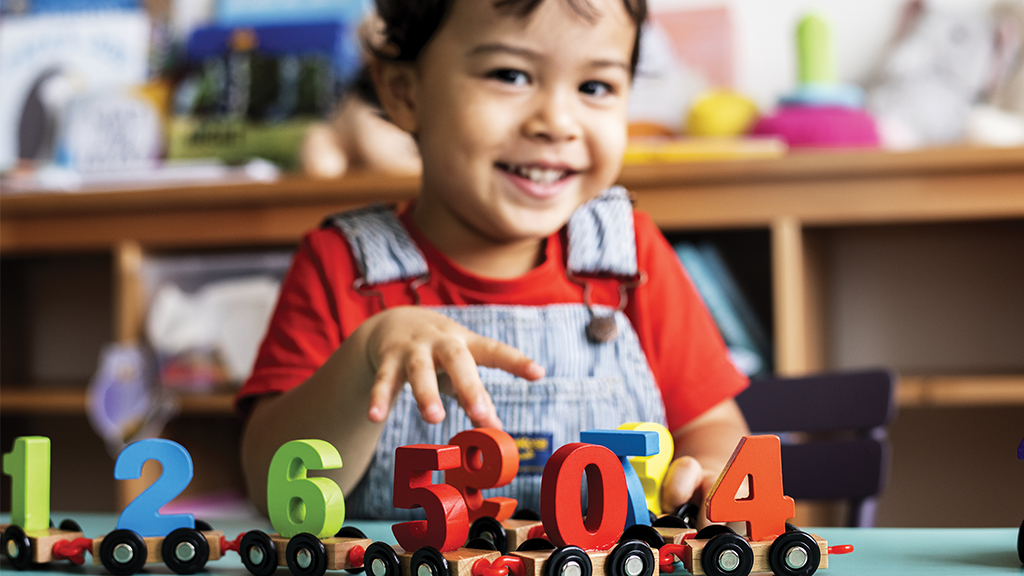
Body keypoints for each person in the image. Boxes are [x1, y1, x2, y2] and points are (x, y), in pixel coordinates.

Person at [237, 0, 750, 521]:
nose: (556, 122)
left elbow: (715, 428)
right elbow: (268, 482)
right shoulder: (343, 264)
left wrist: (707, 473)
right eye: (510, 75)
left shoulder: (628, 259)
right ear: (404, 92)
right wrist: (367, 355)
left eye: (595, 87)